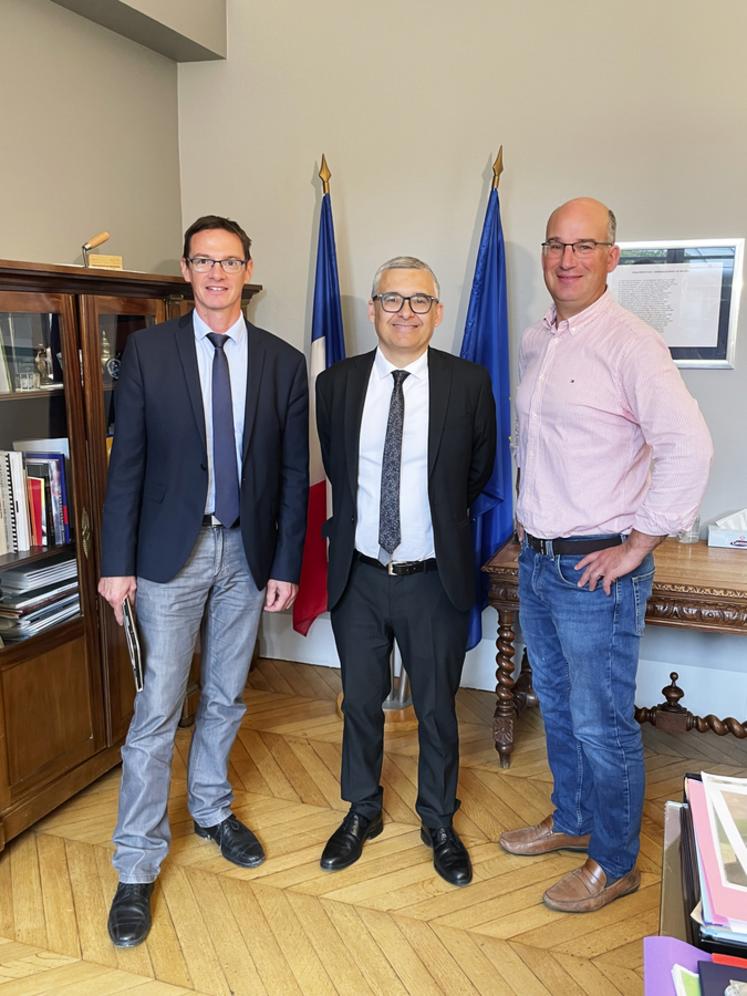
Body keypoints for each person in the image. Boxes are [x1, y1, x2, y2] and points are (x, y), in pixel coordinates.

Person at [98, 215, 308, 946]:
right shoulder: (148, 353)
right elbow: (126, 466)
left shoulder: (282, 362)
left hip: (247, 557)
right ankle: (136, 864)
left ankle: (212, 809)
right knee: (157, 708)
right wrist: (114, 563)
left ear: (247, 268)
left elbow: (289, 477)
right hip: (167, 557)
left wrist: (286, 565)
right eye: (202, 261)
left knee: (225, 696)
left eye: (228, 261)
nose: (216, 274)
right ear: (186, 272)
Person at [500, 197, 713, 912]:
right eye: (556, 245)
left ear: (611, 257)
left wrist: (639, 543)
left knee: (599, 722)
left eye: (584, 246)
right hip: (538, 558)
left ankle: (615, 862)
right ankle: (572, 820)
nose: (567, 259)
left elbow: (689, 449)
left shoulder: (630, 343)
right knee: (556, 708)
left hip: (596, 567)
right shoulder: (538, 337)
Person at [316, 256, 496, 887]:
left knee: (438, 709)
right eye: (392, 300)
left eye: (420, 301)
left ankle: (439, 820)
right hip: (360, 574)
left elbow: (476, 474)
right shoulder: (335, 384)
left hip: (432, 575)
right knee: (360, 701)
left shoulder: (467, 383)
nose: (405, 313)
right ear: (372, 309)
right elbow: (341, 471)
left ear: (437, 313)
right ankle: (361, 809)